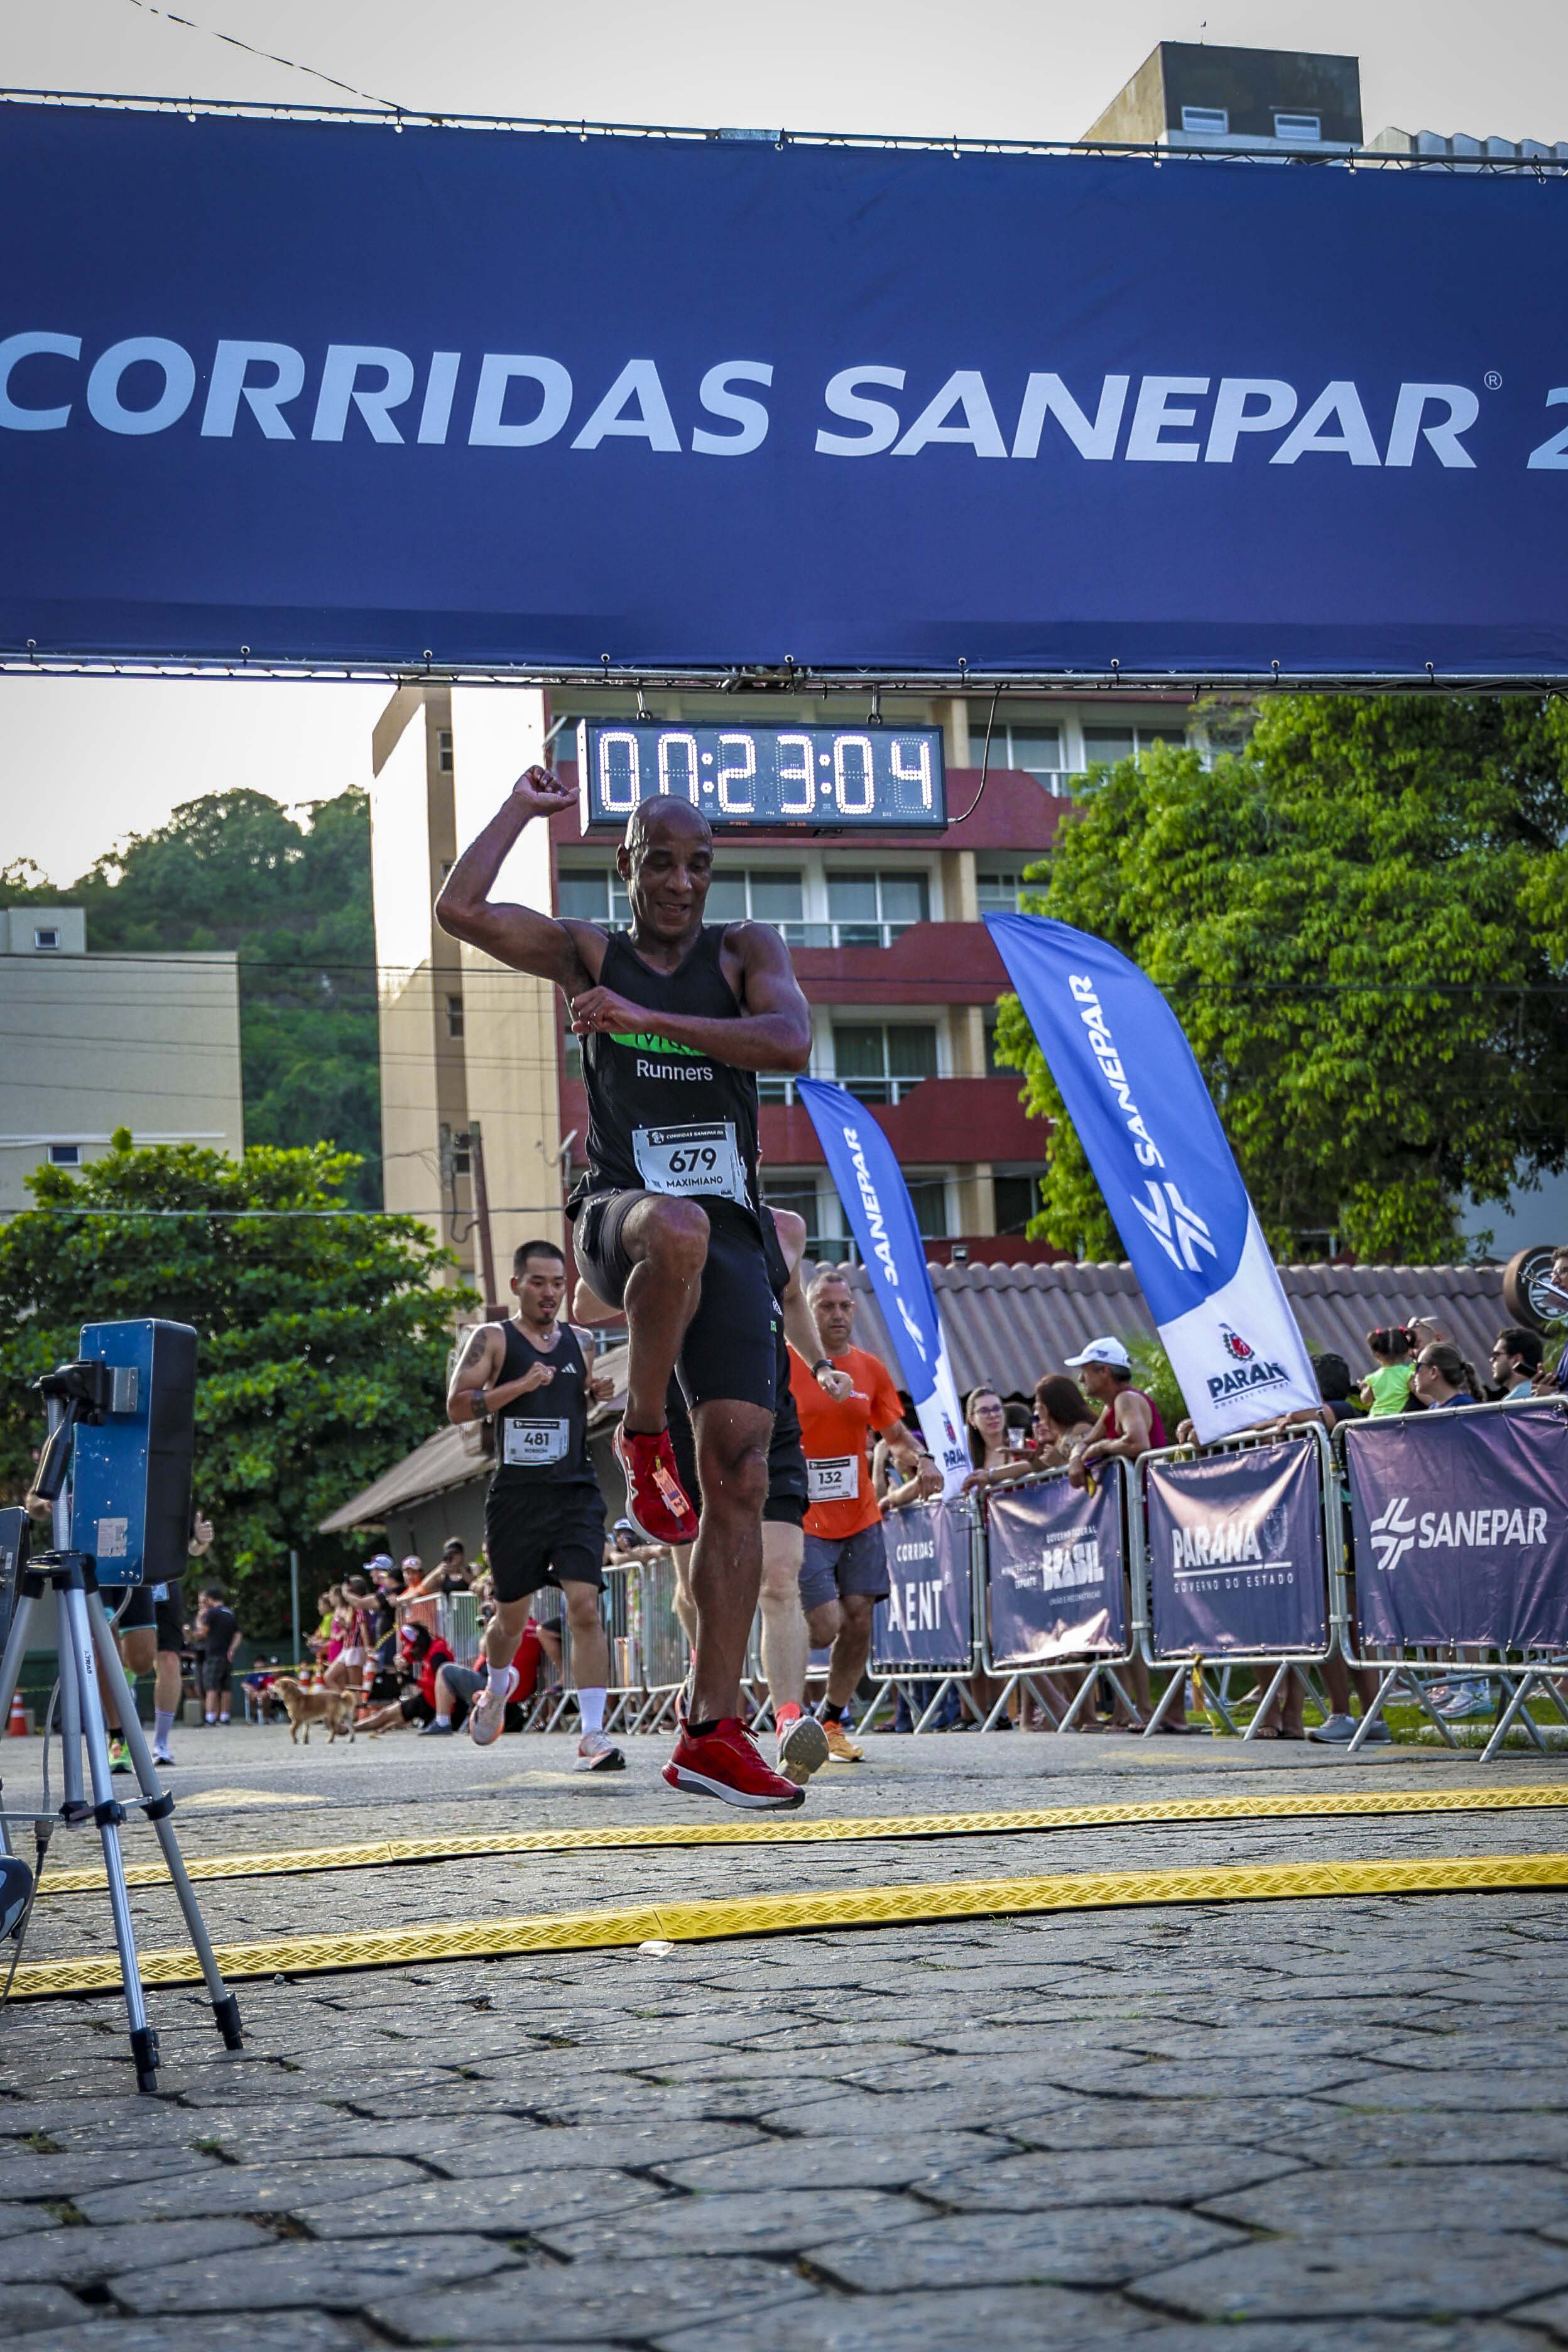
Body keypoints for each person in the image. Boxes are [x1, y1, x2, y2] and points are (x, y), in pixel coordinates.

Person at [437, 768, 813, 1809]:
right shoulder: (586, 951)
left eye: (699, 863)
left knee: (738, 1473)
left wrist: (645, 1021)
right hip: (623, 1219)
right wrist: (519, 806)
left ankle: (710, 1729)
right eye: (661, 860)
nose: (682, 881)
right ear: (627, 866)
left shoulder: (746, 950)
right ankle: (641, 1425)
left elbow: (788, 1041)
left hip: (734, 1234)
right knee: (675, 1226)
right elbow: (459, 908)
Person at [447, 1237, 621, 1770]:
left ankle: (594, 1736)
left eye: (558, 1283)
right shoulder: (492, 1340)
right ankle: (497, 1689)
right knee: (509, 1618)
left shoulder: (581, 1341)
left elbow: (575, 1405)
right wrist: (518, 1386)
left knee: (586, 1608)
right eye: (539, 1282)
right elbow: (457, 1406)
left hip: (574, 1491)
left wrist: (593, 1395)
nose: (550, 1293)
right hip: (518, 1497)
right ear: (518, 1284)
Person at [790, 1270, 937, 1762]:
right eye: (826, 1306)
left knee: (859, 1621)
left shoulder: (869, 1369)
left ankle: (831, 1721)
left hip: (860, 1515)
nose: (836, 1315)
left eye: (844, 1306)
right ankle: (778, 1624)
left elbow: (895, 1436)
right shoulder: (787, 1364)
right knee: (823, 1627)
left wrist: (923, 1461)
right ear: (807, 1313)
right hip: (803, 1517)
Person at [105, 1508, 212, 1773]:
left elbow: (191, 1547)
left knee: (170, 1658)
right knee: (121, 1656)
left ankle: (161, 1744)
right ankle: (119, 1741)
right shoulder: (111, 1471)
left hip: (163, 1579)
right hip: (120, 1568)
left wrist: (200, 1540)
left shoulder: (171, 1477)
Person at [1064, 1338, 1166, 1484]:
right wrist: (1075, 1458)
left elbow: (1138, 1444)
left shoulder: (1126, 1399)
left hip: (1147, 1499)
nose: (1080, 1379)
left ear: (1105, 1371)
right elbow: (1086, 1442)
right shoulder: (1111, 1406)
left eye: (1085, 1371)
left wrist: (1101, 1447)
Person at [359, 1621, 455, 1734]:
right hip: (428, 1700)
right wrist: (400, 1660)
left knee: (388, 1717)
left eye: (412, 1647)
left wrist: (413, 1681)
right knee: (385, 1714)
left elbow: (441, 1685)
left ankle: (351, 1728)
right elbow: (408, 1657)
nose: (411, 1651)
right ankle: (351, 1728)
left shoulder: (437, 1655)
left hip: (438, 1705)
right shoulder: (428, 1647)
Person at [193, 1583, 241, 1727]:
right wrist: (232, 1649)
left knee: (211, 1687)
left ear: (210, 1599)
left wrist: (199, 1618)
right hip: (227, 1656)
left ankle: (210, 1717)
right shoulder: (229, 1612)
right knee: (226, 1687)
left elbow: (202, 1632)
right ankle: (225, 1717)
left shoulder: (211, 1613)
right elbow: (238, 1634)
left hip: (213, 1655)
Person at [1407, 1341, 1481, 1412]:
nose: (1414, 1373)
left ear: (1433, 1372)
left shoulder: (1464, 1407)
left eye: (1418, 1366)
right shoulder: (1433, 1408)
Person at [1360, 1326, 1416, 1417]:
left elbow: (1365, 1400)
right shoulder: (1408, 1373)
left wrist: (1364, 1388)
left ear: (1377, 1355)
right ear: (1407, 1352)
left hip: (1374, 1419)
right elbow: (1418, 1391)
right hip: (1395, 1419)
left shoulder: (1373, 1377)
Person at [1491, 1327, 1545, 1400]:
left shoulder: (1513, 1402)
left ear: (1516, 1360)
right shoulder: (1549, 1394)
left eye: (1496, 1355)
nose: (1491, 1360)